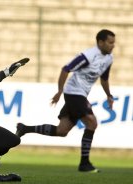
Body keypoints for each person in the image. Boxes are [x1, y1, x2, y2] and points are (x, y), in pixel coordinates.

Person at [16, 29, 115, 173]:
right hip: (73, 92)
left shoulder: (108, 58)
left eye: (114, 43)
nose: (113, 45)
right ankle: (84, 164)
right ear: (100, 42)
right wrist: (59, 91)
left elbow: (104, 78)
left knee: (62, 131)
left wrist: (109, 95)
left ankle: (24, 128)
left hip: (80, 94)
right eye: (110, 42)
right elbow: (66, 69)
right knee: (92, 122)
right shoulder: (88, 56)